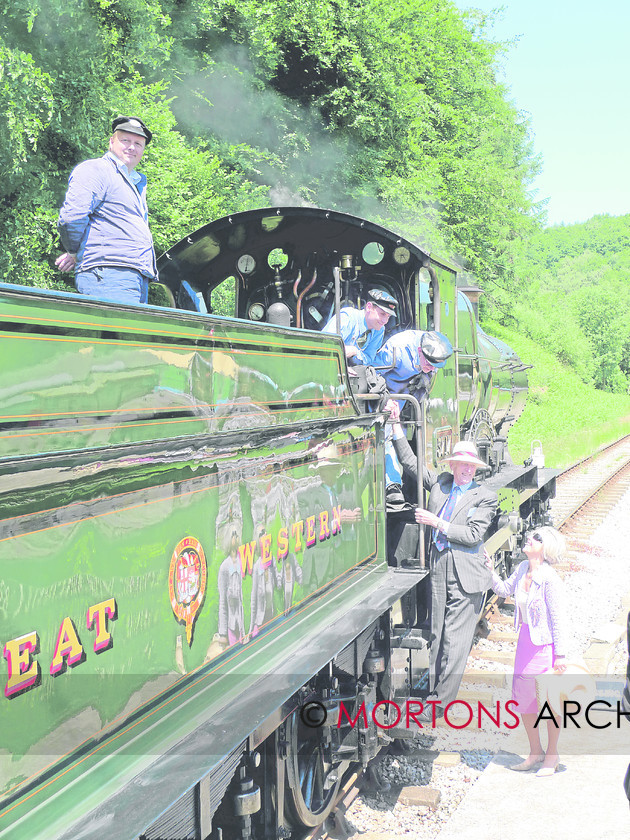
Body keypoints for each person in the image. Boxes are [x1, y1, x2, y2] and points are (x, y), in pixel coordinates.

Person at [413, 440, 497, 722]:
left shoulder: (485, 496)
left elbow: (473, 535)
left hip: (466, 571)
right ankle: (434, 693)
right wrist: (396, 426)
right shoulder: (441, 484)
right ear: (452, 465)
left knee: (456, 639)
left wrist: (436, 522)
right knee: (437, 633)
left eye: (472, 465)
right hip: (439, 565)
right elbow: (413, 466)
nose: (468, 470)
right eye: (463, 464)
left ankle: (439, 705)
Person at [491, 526, 568, 776]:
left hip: (544, 646)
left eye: (536, 538)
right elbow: (503, 590)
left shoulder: (550, 579)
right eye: (530, 536)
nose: (529, 539)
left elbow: (558, 619)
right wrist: (489, 571)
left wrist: (561, 655)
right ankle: (535, 752)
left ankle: (552, 755)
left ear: (545, 548)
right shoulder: (522, 569)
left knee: (548, 703)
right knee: (524, 700)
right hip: (525, 641)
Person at [56, 115, 157, 304]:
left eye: (138, 143)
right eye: (125, 140)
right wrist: (73, 251)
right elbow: (72, 217)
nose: (132, 147)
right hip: (108, 273)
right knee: (116, 332)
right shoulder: (96, 169)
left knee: (126, 332)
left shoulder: (135, 183)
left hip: (134, 275)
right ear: (111, 142)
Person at [322, 288, 397, 366]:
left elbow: (369, 359)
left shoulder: (379, 329)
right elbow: (325, 346)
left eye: (389, 316)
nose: (385, 321)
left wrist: (355, 352)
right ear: (369, 307)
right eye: (382, 314)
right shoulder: (347, 317)